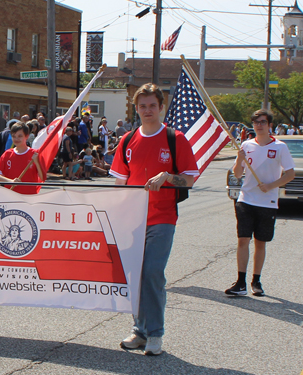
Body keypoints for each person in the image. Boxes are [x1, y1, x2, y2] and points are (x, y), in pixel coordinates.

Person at [110, 83, 198, 356]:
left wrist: (168, 177)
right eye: (142, 106)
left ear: (161, 107)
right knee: (135, 275)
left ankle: (155, 333)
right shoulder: (126, 141)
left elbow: (190, 178)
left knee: (151, 273)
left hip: (162, 218)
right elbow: (120, 186)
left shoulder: (175, 138)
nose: (148, 110)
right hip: (133, 220)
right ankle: (139, 330)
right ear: (136, 109)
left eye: (152, 105)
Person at [225, 109, 295, 297]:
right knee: (242, 240)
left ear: (269, 125)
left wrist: (271, 185)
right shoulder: (246, 145)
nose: (259, 125)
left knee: (260, 243)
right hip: (246, 199)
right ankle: (240, 282)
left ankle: (256, 280)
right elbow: (238, 174)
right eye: (256, 122)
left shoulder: (280, 147)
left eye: (263, 122)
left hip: (268, 201)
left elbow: (290, 173)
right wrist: (239, 159)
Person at [0, 121, 44, 195]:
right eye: (14, 136)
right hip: (10, 195)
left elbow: (42, 178)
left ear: (26, 136)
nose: (16, 139)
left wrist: (36, 162)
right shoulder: (7, 154)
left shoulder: (35, 154)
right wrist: (10, 181)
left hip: (29, 196)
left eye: (20, 136)